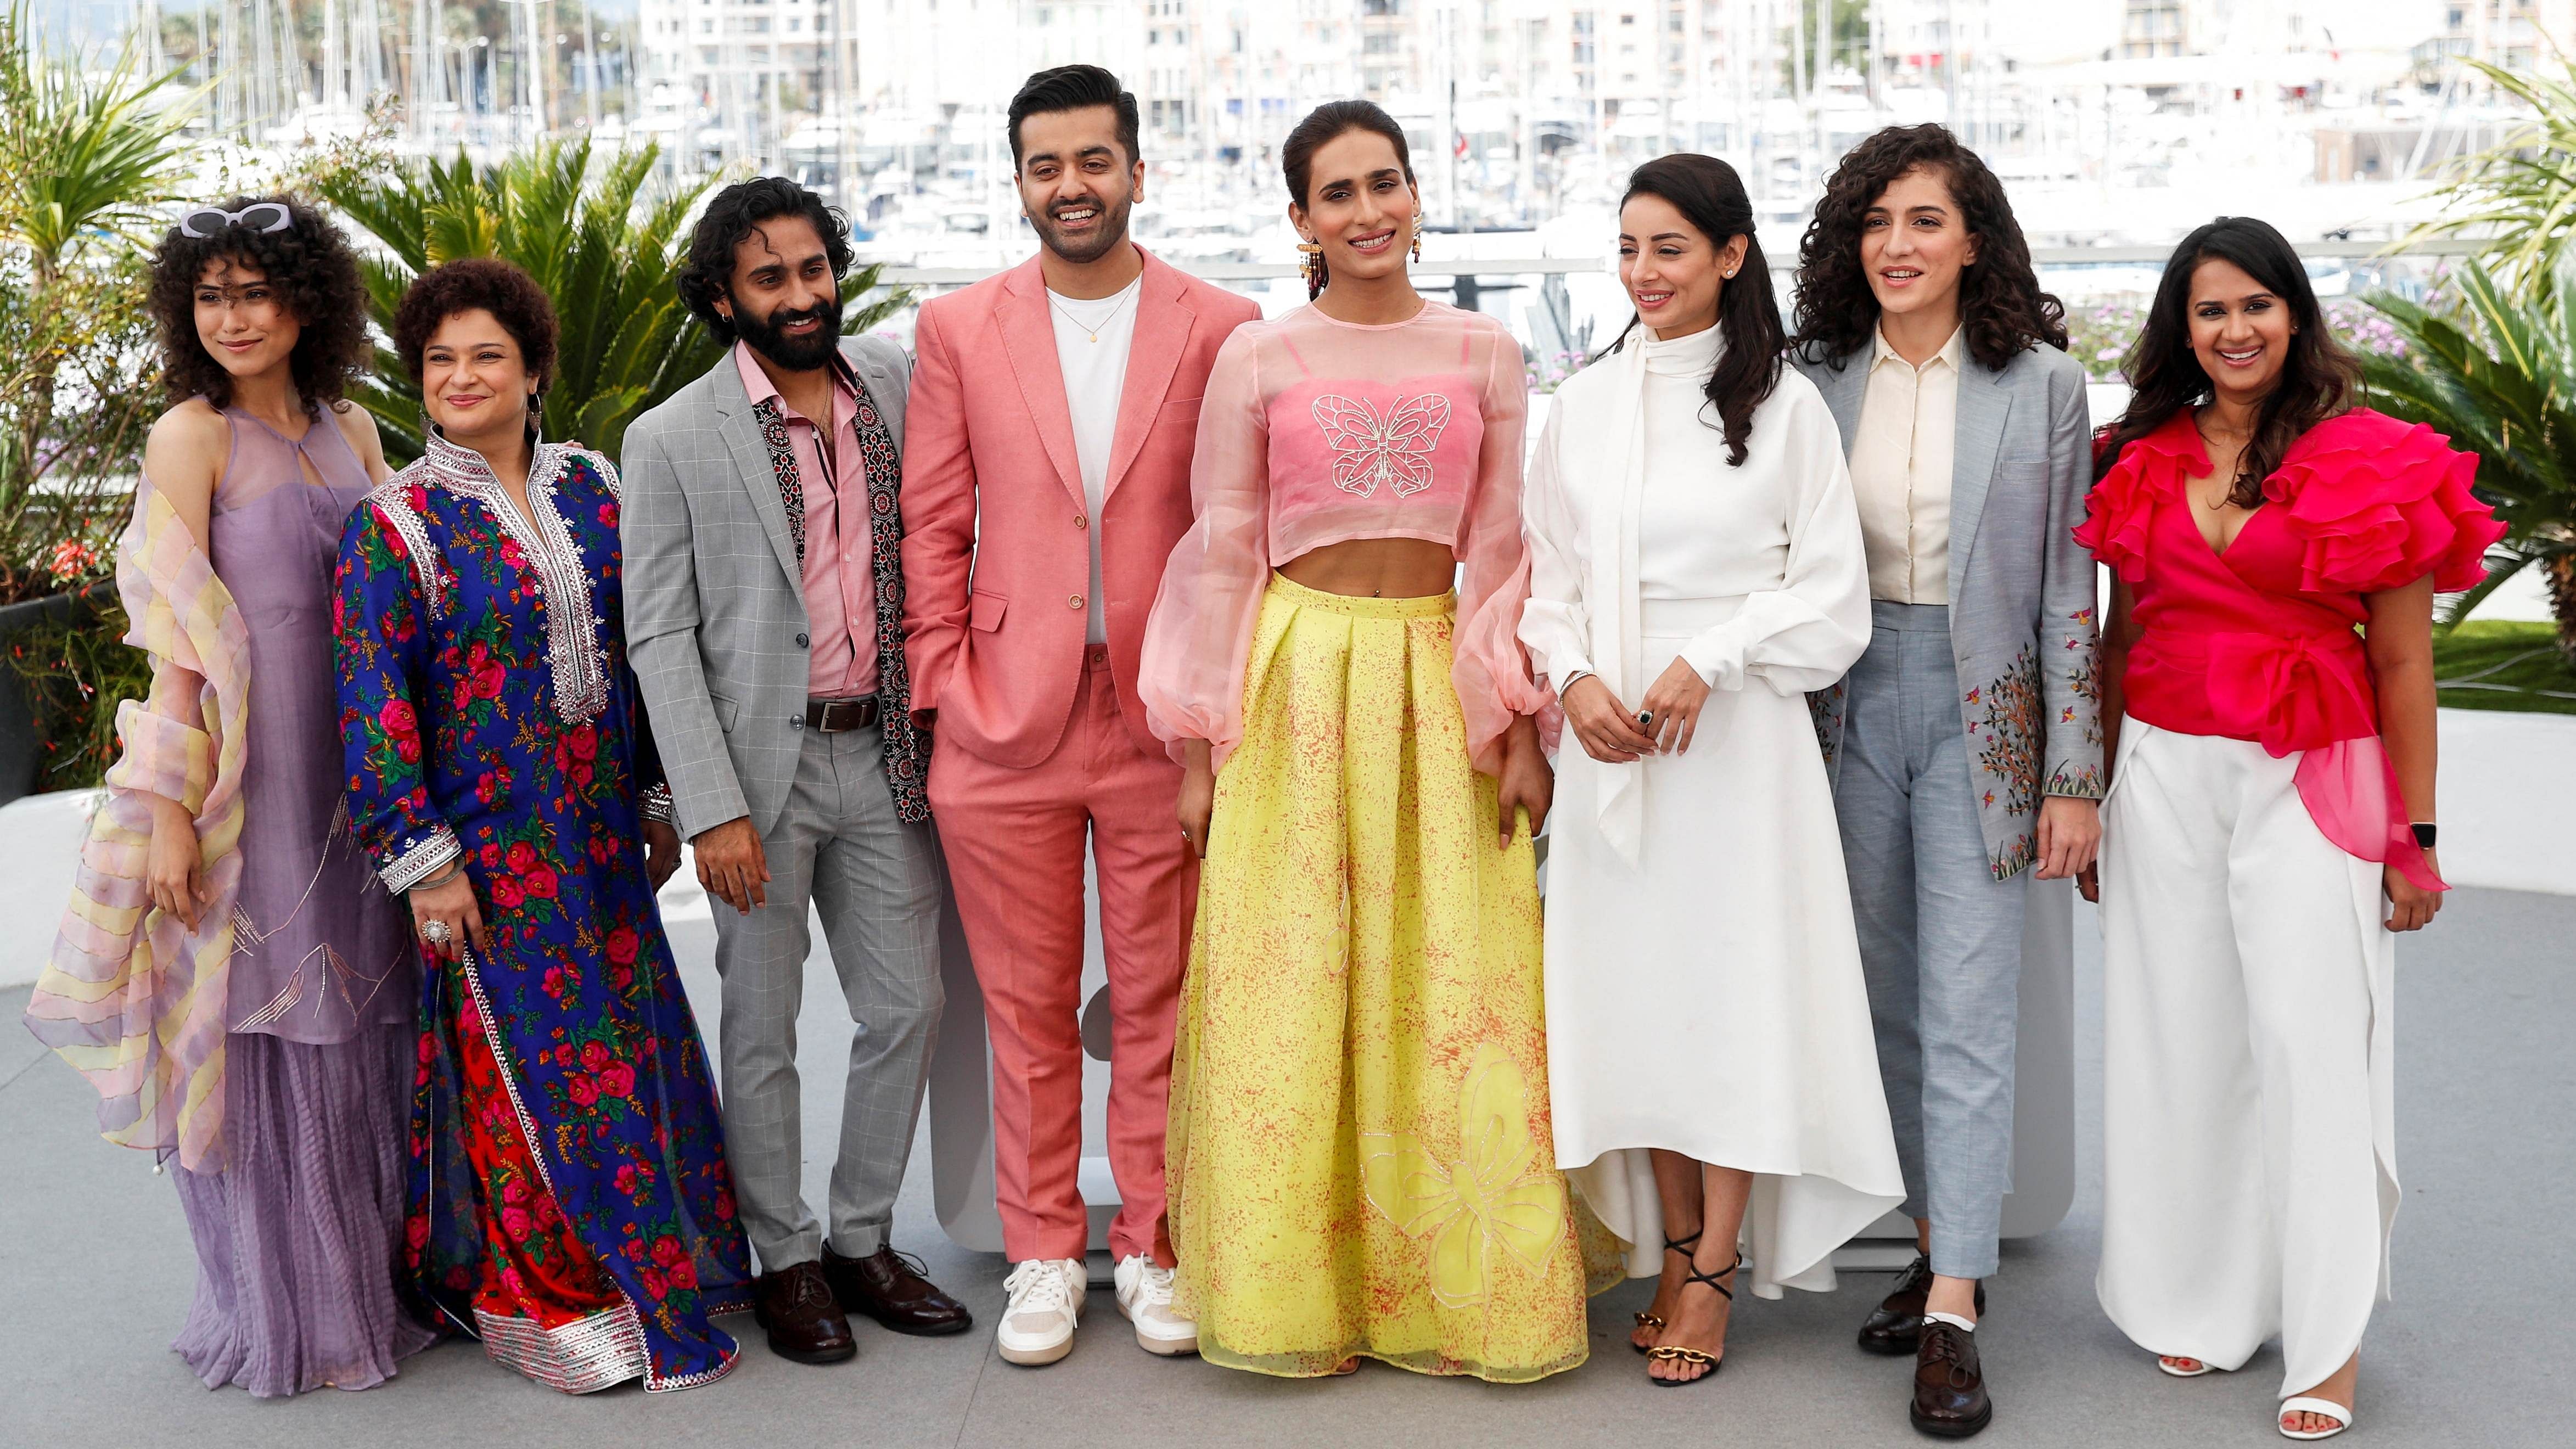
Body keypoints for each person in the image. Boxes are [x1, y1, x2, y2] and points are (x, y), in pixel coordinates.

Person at [1141, 99, 1603, 1382]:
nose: (1365, 211)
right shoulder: (1260, 357)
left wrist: (1517, 728)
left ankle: (1453, 1294)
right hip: (1293, 677)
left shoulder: (1486, 350)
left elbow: (1507, 555)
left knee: (1453, 978)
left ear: (1414, 193)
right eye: (1335, 193)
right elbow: (1222, 556)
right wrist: (1196, 752)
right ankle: (1300, 1291)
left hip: (1434, 675)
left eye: (1382, 183)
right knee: (1289, 988)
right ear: (1301, 220)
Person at [2078, 216, 2499, 1443]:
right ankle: (2206, 1300)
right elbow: (2115, 640)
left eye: (2257, 304)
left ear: (2297, 315)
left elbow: (2407, 662)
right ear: (2182, 329)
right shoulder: (2138, 453)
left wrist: (2414, 833)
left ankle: (2330, 1339)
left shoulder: (2372, 458)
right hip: (2161, 770)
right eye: (2211, 310)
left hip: (2314, 771)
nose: (2236, 329)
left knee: (2312, 1050)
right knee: (2179, 1041)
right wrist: (2096, 794)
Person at [25, 196, 431, 1397]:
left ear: (309, 301)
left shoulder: (354, 425)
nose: (235, 317)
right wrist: (156, 813)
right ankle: (288, 1312)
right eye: (212, 296)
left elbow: (414, 584)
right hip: (254, 783)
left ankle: (377, 1287)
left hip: (365, 773)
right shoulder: (188, 439)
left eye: (256, 291)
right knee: (262, 1021)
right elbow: (173, 648)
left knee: (369, 1023)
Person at [334, 258, 754, 1392]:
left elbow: (648, 649)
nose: (460, 378)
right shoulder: (398, 526)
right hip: (488, 854)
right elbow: (372, 707)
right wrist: (424, 864)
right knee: (538, 1066)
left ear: (533, 372)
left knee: (627, 1051)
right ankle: (554, 1296)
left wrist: (661, 793)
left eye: (487, 356)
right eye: (438, 360)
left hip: (602, 839)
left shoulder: (593, 489)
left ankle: (660, 1266)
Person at [1520, 154, 1905, 1389]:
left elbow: (1829, 599)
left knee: (1729, 1000)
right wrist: (1574, 680)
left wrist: (1712, 656)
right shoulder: (1576, 405)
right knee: (1642, 1004)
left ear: (1732, 256)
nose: (1644, 273)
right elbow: (1547, 583)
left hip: (1734, 749)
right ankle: (1678, 1242)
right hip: (1608, 748)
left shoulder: (1785, 410)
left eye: (1670, 249)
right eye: (1628, 248)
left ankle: (1714, 1270)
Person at [901, 65, 1260, 1367]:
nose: (1071, 186)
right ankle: (1043, 1251)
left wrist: (1220, 704)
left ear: (1136, 172)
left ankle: (1155, 1245)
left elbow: (1241, 533)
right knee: (1025, 1005)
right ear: (1019, 182)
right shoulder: (958, 328)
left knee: (1165, 997)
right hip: (1003, 718)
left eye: (1093, 161)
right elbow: (933, 521)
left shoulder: (1223, 323)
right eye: (1046, 166)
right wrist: (944, 682)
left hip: (1164, 718)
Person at [1788, 123, 2103, 1437]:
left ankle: (1957, 1313)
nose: (1898, 246)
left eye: (1925, 221)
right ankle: (1936, 1240)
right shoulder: (1809, 378)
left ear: (1974, 238)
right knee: (1884, 1010)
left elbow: (2063, 601)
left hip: (1989, 718)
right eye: (1876, 223)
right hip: (1847, 709)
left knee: (1970, 1012)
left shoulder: (2042, 386)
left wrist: (2072, 775)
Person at [622, 177, 968, 1366]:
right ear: (725, 300)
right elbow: (659, 635)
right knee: (761, 1029)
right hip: (756, 783)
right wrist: (708, 804)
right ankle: (786, 1260)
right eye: (770, 278)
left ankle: (863, 1239)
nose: (802, 294)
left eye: (814, 268)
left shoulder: (900, 383)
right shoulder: (670, 436)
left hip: (885, 756)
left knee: (906, 1005)